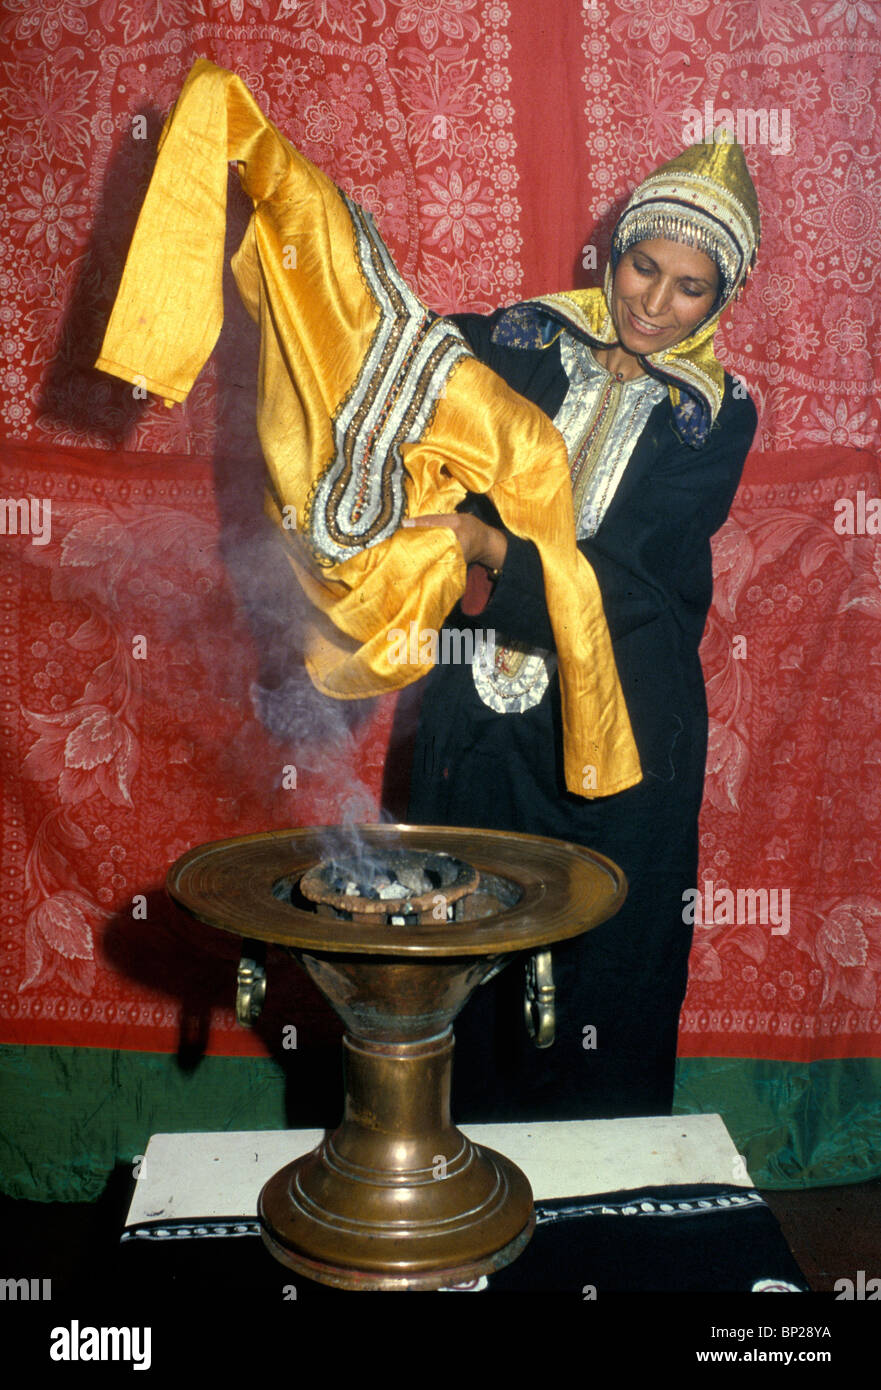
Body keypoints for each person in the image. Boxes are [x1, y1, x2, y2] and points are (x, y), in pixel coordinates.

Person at [404, 138, 761, 1122]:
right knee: (460, 941)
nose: (653, 301)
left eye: (689, 287)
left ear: (719, 298)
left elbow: (636, 582)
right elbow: (388, 357)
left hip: (626, 731)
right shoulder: (510, 345)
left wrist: (488, 542)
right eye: (642, 265)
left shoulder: (713, 418)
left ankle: (600, 1211)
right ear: (610, 252)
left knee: (605, 966)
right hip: (479, 712)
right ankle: (453, 1188)